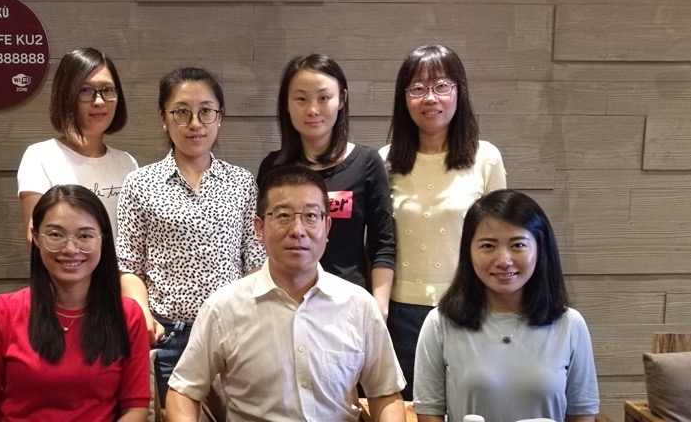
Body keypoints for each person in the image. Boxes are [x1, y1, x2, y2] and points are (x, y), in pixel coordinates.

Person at [166, 165, 406, 422]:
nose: (298, 230)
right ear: (259, 228)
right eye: (283, 216)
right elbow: (183, 391)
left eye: (311, 216)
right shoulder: (223, 308)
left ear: (327, 227)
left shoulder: (359, 305)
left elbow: (385, 394)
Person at [116, 66, 267, 406]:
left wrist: (250, 319)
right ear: (164, 118)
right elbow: (129, 267)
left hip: (233, 333)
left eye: (206, 111)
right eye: (182, 112)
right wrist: (143, 316)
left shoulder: (241, 182)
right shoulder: (140, 184)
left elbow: (256, 261)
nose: (195, 123)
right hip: (168, 336)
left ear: (219, 117)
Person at [379, 44, 507, 400]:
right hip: (401, 314)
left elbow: (501, 241)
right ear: (404, 98)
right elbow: (378, 242)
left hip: (470, 308)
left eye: (441, 86)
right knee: (409, 408)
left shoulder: (485, 157)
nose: (430, 98)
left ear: (458, 91)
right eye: (417, 88)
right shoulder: (385, 162)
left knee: (472, 406)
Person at [0, 185, 150, 422]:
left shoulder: (128, 315)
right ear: (36, 237)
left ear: (103, 239)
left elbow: (135, 408)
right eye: (55, 235)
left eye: (85, 236)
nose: (70, 249)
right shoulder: (0, 313)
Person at [413, 189, 600, 422]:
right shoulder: (440, 323)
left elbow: (582, 413)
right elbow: (429, 412)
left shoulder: (570, 324)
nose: (503, 261)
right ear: (468, 251)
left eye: (518, 245)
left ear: (540, 249)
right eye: (488, 246)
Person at [257, 53, 395, 319]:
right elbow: (262, 241)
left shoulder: (366, 162)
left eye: (324, 97)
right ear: (286, 103)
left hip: (347, 307)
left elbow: (382, 244)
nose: (312, 109)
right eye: (301, 99)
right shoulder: (273, 167)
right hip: (284, 304)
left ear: (341, 99)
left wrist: (379, 307)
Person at [17, 47, 138, 242]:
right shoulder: (40, 157)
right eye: (85, 90)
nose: (99, 101)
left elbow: (135, 239)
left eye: (107, 90)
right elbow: (36, 239)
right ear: (66, 96)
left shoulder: (127, 163)